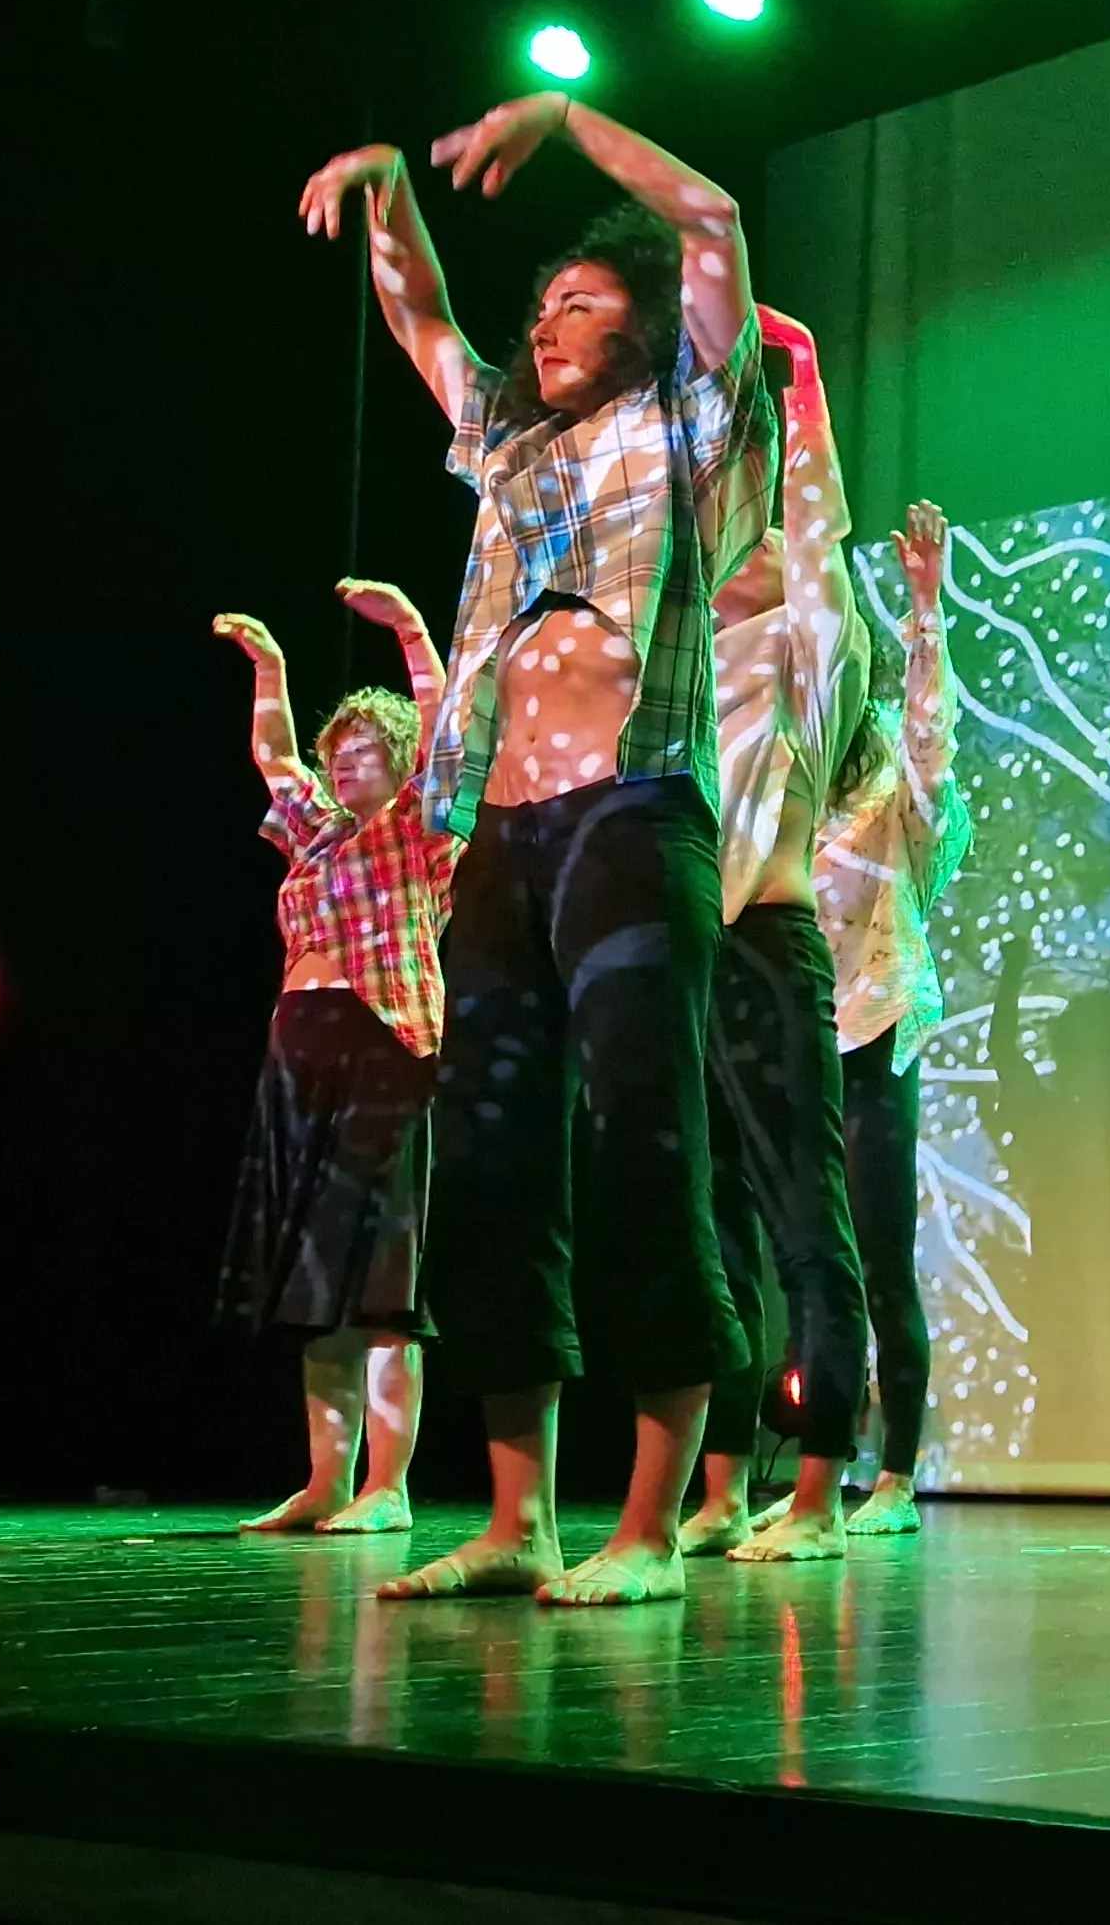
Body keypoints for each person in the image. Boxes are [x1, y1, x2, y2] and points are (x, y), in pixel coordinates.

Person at [298, 91, 776, 1608]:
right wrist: (390, 193)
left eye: (583, 300)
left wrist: (568, 119)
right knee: (497, 1161)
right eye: (544, 303)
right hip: (500, 835)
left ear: (644, 326)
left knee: (647, 1147)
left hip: (633, 813)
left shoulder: (693, 423)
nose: (551, 321)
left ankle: (651, 1524)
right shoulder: (509, 441)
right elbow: (420, 317)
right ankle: (518, 1521)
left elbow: (712, 219)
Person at [679, 305, 873, 1567]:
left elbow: (818, 540)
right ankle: (715, 1489)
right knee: (711, 1233)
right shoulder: (684, 670)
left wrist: (801, 386)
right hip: (691, 960)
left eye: (753, 538)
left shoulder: (810, 657)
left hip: (771, 950)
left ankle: (816, 1492)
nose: (736, 549)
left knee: (807, 1222)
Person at [212, 580, 457, 1537]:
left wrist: (411, 632)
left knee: (384, 1278)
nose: (346, 762)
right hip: (299, 1057)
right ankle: (325, 1480)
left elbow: (442, 731)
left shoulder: (417, 831)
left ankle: (387, 1487)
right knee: (314, 1280)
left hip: (384, 1048)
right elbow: (272, 755)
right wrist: (269, 666)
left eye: (365, 750)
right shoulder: (316, 837)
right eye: (339, 752)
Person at [816, 495, 968, 1536]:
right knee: (806, 1262)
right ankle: (808, 1473)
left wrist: (927, 612)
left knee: (878, 1256)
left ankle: (897, 1475)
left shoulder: (895, 796)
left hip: (872, 1030)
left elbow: (929, 737)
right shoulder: (791, 789)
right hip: (794, 1036)